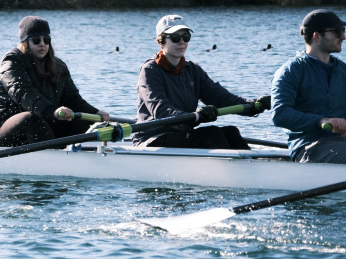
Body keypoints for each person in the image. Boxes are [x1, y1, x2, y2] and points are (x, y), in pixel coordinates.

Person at [133, 14, 270, 149]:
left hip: (181, 135)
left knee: (231, 132)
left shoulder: (192, 70)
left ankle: (252, 166)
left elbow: (222, 98)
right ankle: (233, 169)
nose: (182, 42)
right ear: (160, 41)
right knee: (212, 134)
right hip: (152, 139)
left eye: (186, 37)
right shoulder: (150, 71)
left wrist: (254, 104)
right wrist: (196, 116)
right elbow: (160, 109)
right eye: (175, 38)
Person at [0, 15, 111, 147]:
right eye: (36, 40)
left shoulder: (59, 66)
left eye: (46, 40)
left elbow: (72, 98)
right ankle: (54, 161)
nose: (42, 44)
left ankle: (87, 158)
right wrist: (52, 111)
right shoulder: (11, 62)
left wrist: (95, 112)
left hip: (41, 128)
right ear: (25, 42)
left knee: (79, 123)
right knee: (31, 119)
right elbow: (24, 94)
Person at [271, 9, 346, 163]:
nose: (343, 36)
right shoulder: (290, 71)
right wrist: (320, 121)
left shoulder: (343, 71)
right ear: (316, 36)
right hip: (309, 147)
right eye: (337, 31)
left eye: (343, 30)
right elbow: (280, 114)